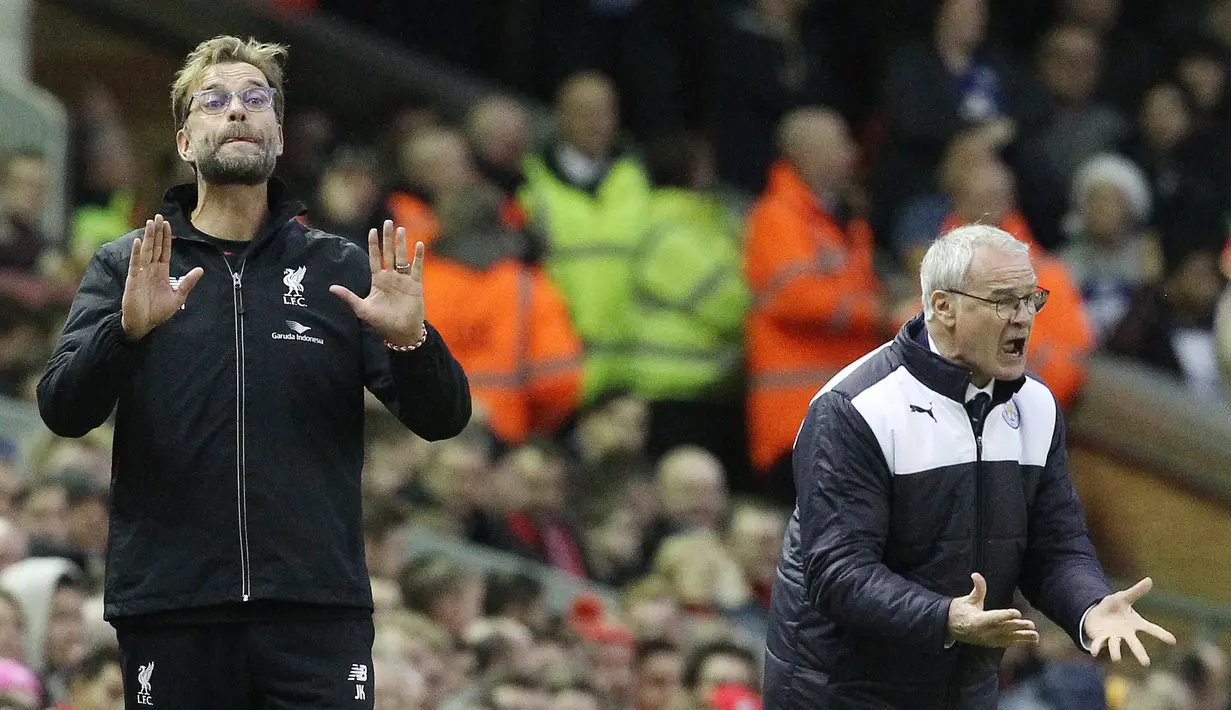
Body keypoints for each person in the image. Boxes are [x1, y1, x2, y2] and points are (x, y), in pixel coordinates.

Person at [35, 36, 471, 709]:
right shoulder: (130, 266)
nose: (237, 111)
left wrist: (414, 341)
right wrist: (125, 333)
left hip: (315, 612)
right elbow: (62, 409)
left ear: (277, 134)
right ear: (185, 142)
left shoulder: (341, 268)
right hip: (174, 609)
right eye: (215, 100)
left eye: (254, 99)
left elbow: (444, 419)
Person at [762, 224, 1175, 709]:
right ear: (942, 307)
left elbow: (1055, 547)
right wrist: (945, 618)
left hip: (964, 688)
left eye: (1030, 299)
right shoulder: (855, 408)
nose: (1023, 318)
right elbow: (838, 572)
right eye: (1004, 301)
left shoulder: (1038, 407)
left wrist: (1090, 608)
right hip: (838, 690)